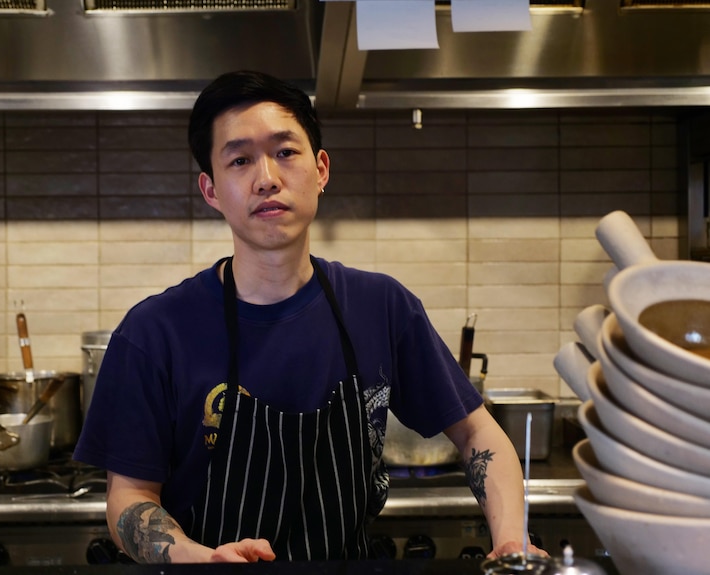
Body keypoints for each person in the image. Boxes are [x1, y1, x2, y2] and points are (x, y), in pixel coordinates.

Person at [73, 70, 547, 564]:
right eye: (239, 160)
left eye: (285, 152)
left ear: (321, 169)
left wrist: (510, 538)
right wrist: (199, 557)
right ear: (211, 190)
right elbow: (129, 499)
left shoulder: (381, 306)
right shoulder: (154, 332)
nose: (267, 178)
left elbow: (477, 433)